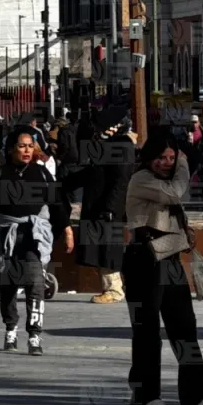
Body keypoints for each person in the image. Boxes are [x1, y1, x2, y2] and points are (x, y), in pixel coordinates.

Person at [123, 135, 203, 405]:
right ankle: (145, 393)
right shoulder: (141, 179)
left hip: (170, 259)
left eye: (172, 158)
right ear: (149, 158)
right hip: (144, 260)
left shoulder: (166, 179)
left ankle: (195, 393)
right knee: (147, 330)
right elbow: (175, 193)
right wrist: (184, 164)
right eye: (161, 158)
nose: (166, 163)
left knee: (185, 326)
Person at [0, 127, 74, 356]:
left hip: (34, 235)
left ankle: (34, 334)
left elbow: (57, 203)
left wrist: (67, 229)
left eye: (31, 146)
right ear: (11, 149)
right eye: (22, 146)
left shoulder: (41, 173)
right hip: (7, 235)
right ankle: (10, 329)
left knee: (35, 283)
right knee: (8, 285)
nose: (27, 151)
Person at [65, 106, 133, 305]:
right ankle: (111, 287)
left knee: (108, 248)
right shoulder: (106, 144)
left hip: (108, 208)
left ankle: (114, 290)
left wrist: (111, 208)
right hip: (98, 205)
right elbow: (93, 172)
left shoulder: (122, 145)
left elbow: (121, 180)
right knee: (99, 247)